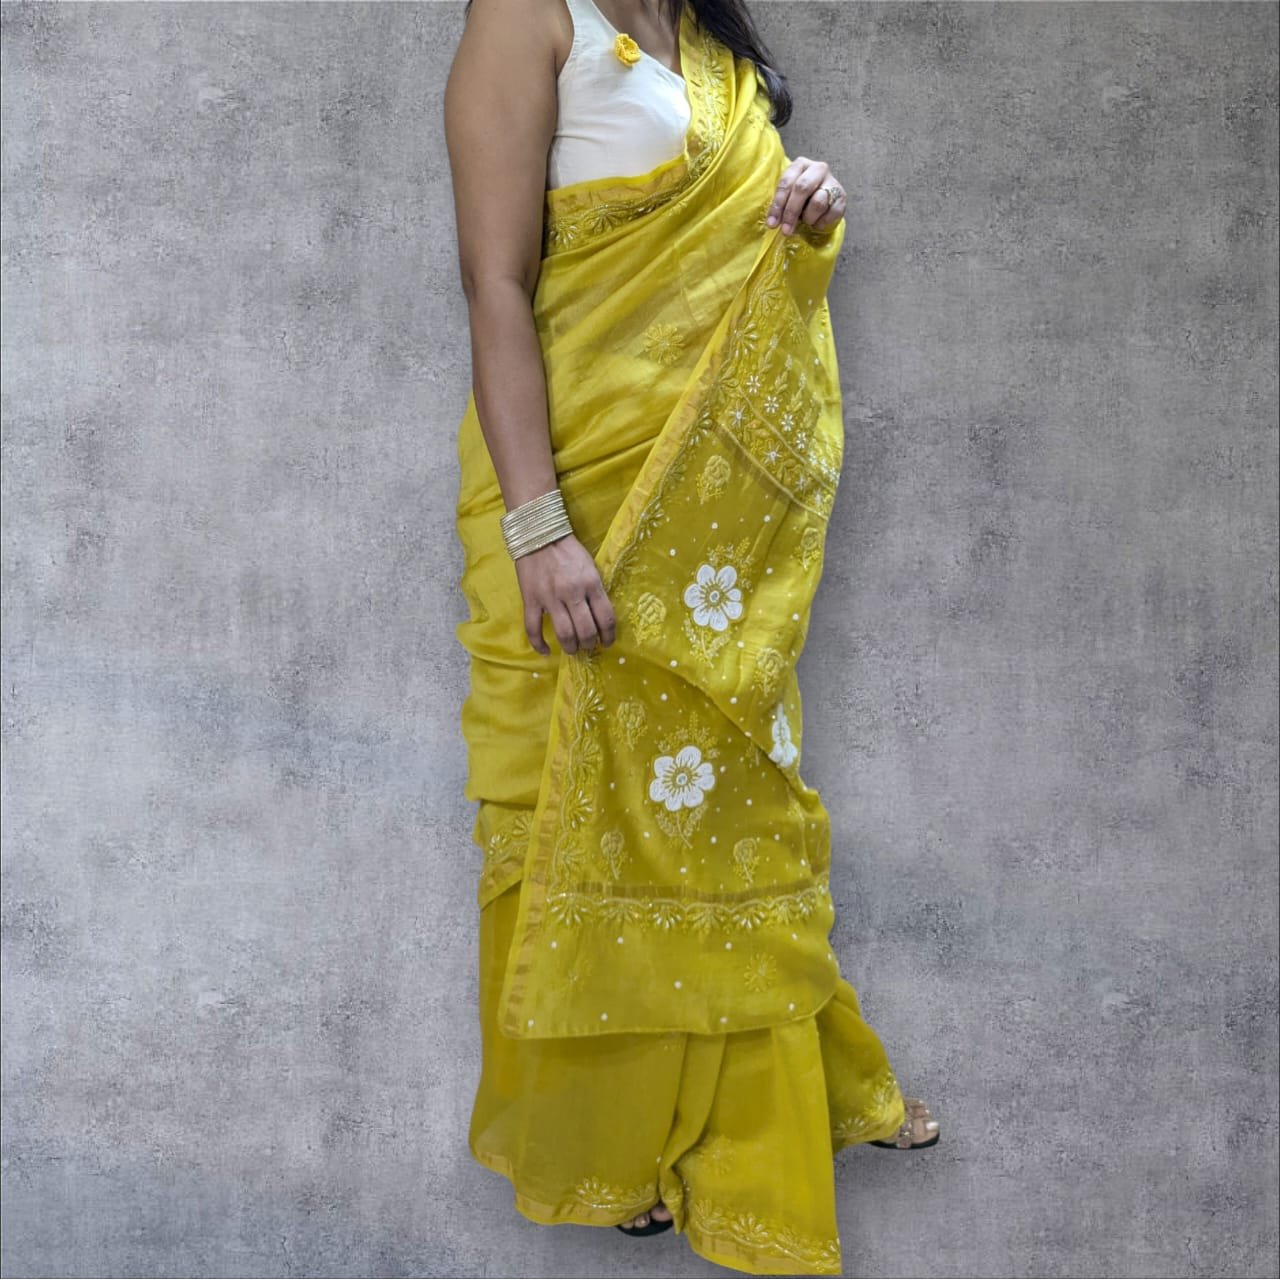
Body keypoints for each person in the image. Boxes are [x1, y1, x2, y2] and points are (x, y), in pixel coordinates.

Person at [443, 0, 940, 1271]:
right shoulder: (526, 16)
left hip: (703, 545)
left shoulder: (712, 51)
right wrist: (538, 528)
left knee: (723, 820)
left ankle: (766, 1116)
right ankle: (607, 1146)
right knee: (574, 816)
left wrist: (806, 213)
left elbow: (733, 271)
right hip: (576, 501)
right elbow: (493, 284)